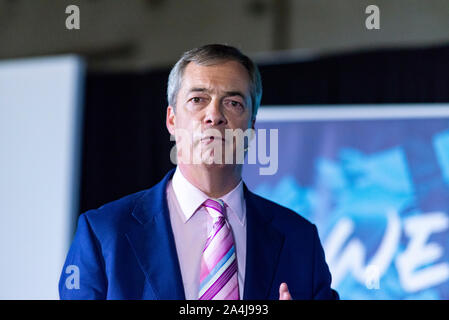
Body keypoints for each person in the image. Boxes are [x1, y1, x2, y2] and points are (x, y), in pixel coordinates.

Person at [59, 44, 339, 300]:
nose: (214, 115)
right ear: (171, 119)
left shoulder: (301, 241)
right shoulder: (103, 233)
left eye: (233, 103)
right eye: (197, 100)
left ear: (251, 127)